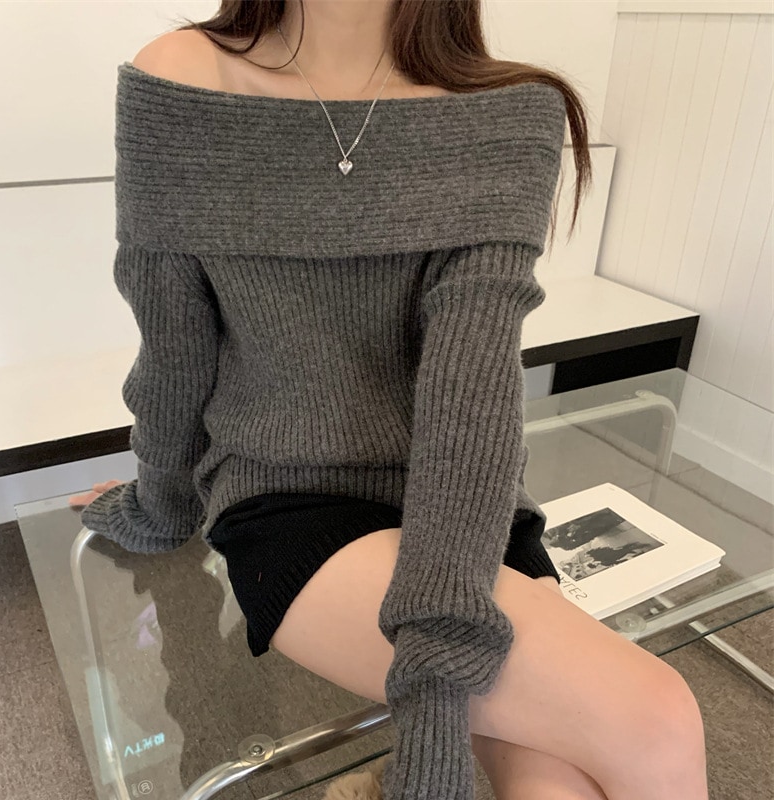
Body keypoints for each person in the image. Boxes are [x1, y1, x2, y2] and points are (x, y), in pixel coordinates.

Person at [69, 2, 709, 798]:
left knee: (561, 781)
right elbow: (174, 349)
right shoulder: (179, 79)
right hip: (290, 502)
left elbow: (470, 403)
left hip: (463, 506)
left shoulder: (503, 114)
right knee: (658, 719)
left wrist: (435, 695)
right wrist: (161, 501)